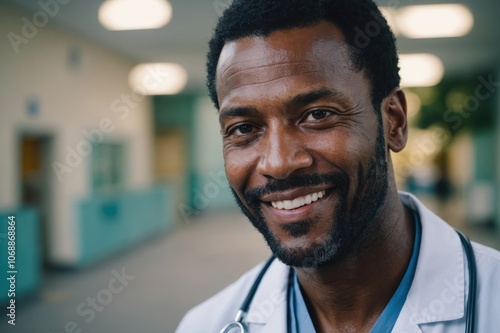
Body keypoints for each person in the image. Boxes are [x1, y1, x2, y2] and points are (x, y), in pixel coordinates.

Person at [176, 0, 500, 332]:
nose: (278, 163)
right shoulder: (204, 325)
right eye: (244, 129)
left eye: (317, 115)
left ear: (394, 122)